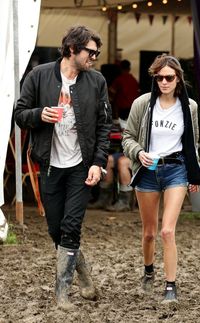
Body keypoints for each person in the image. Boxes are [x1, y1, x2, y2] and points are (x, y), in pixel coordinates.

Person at [14, 25, 112, 308]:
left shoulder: (96, 81)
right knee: (55, 230)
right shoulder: (39, 75)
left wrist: (98, 162)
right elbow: (19, 114)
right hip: (49, 165)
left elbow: (105, 125)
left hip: (81, 166)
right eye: (90, 52)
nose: (94, 57)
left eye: (97, 52)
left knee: (71, 227)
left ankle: (62, 293)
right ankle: (82, 269)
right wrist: (38, 114)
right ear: (72, 49)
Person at [122, 54, 200, 303]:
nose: (164, 82)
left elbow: (193, 142)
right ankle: (148, 272)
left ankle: (171, 286)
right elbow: (128, 137)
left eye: (169, 77)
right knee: (149, 233)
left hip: (176, 168)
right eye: (159, 78)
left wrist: (194, 173)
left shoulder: (190, 107)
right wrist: (139, 153)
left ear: (178, 78)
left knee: (167, 231)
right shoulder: (142, 104)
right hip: (147, 170)